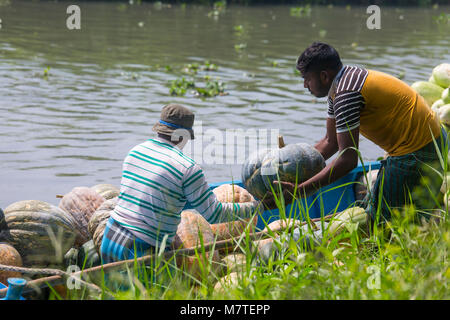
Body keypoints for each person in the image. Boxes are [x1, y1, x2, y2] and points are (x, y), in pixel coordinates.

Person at [265, 42, 447, 224]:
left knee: (386, 222)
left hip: (419, 150)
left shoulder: (347, 94)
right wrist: (293, 170)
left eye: (307, 79)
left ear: (324, 76)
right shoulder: (340, 84)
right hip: (427, 139)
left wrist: (300, 191)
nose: (305, 85)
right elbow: (330, 141)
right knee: (382, 210)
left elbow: (348, 160)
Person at [101, 104, 260, 263]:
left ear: (159, 129)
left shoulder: (135, 151)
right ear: (184, 137)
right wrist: (258, 207)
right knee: (153, 288)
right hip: (142, 247)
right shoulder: (187, 168)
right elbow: (214, 214)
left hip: (110, 236)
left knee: (111, 287)